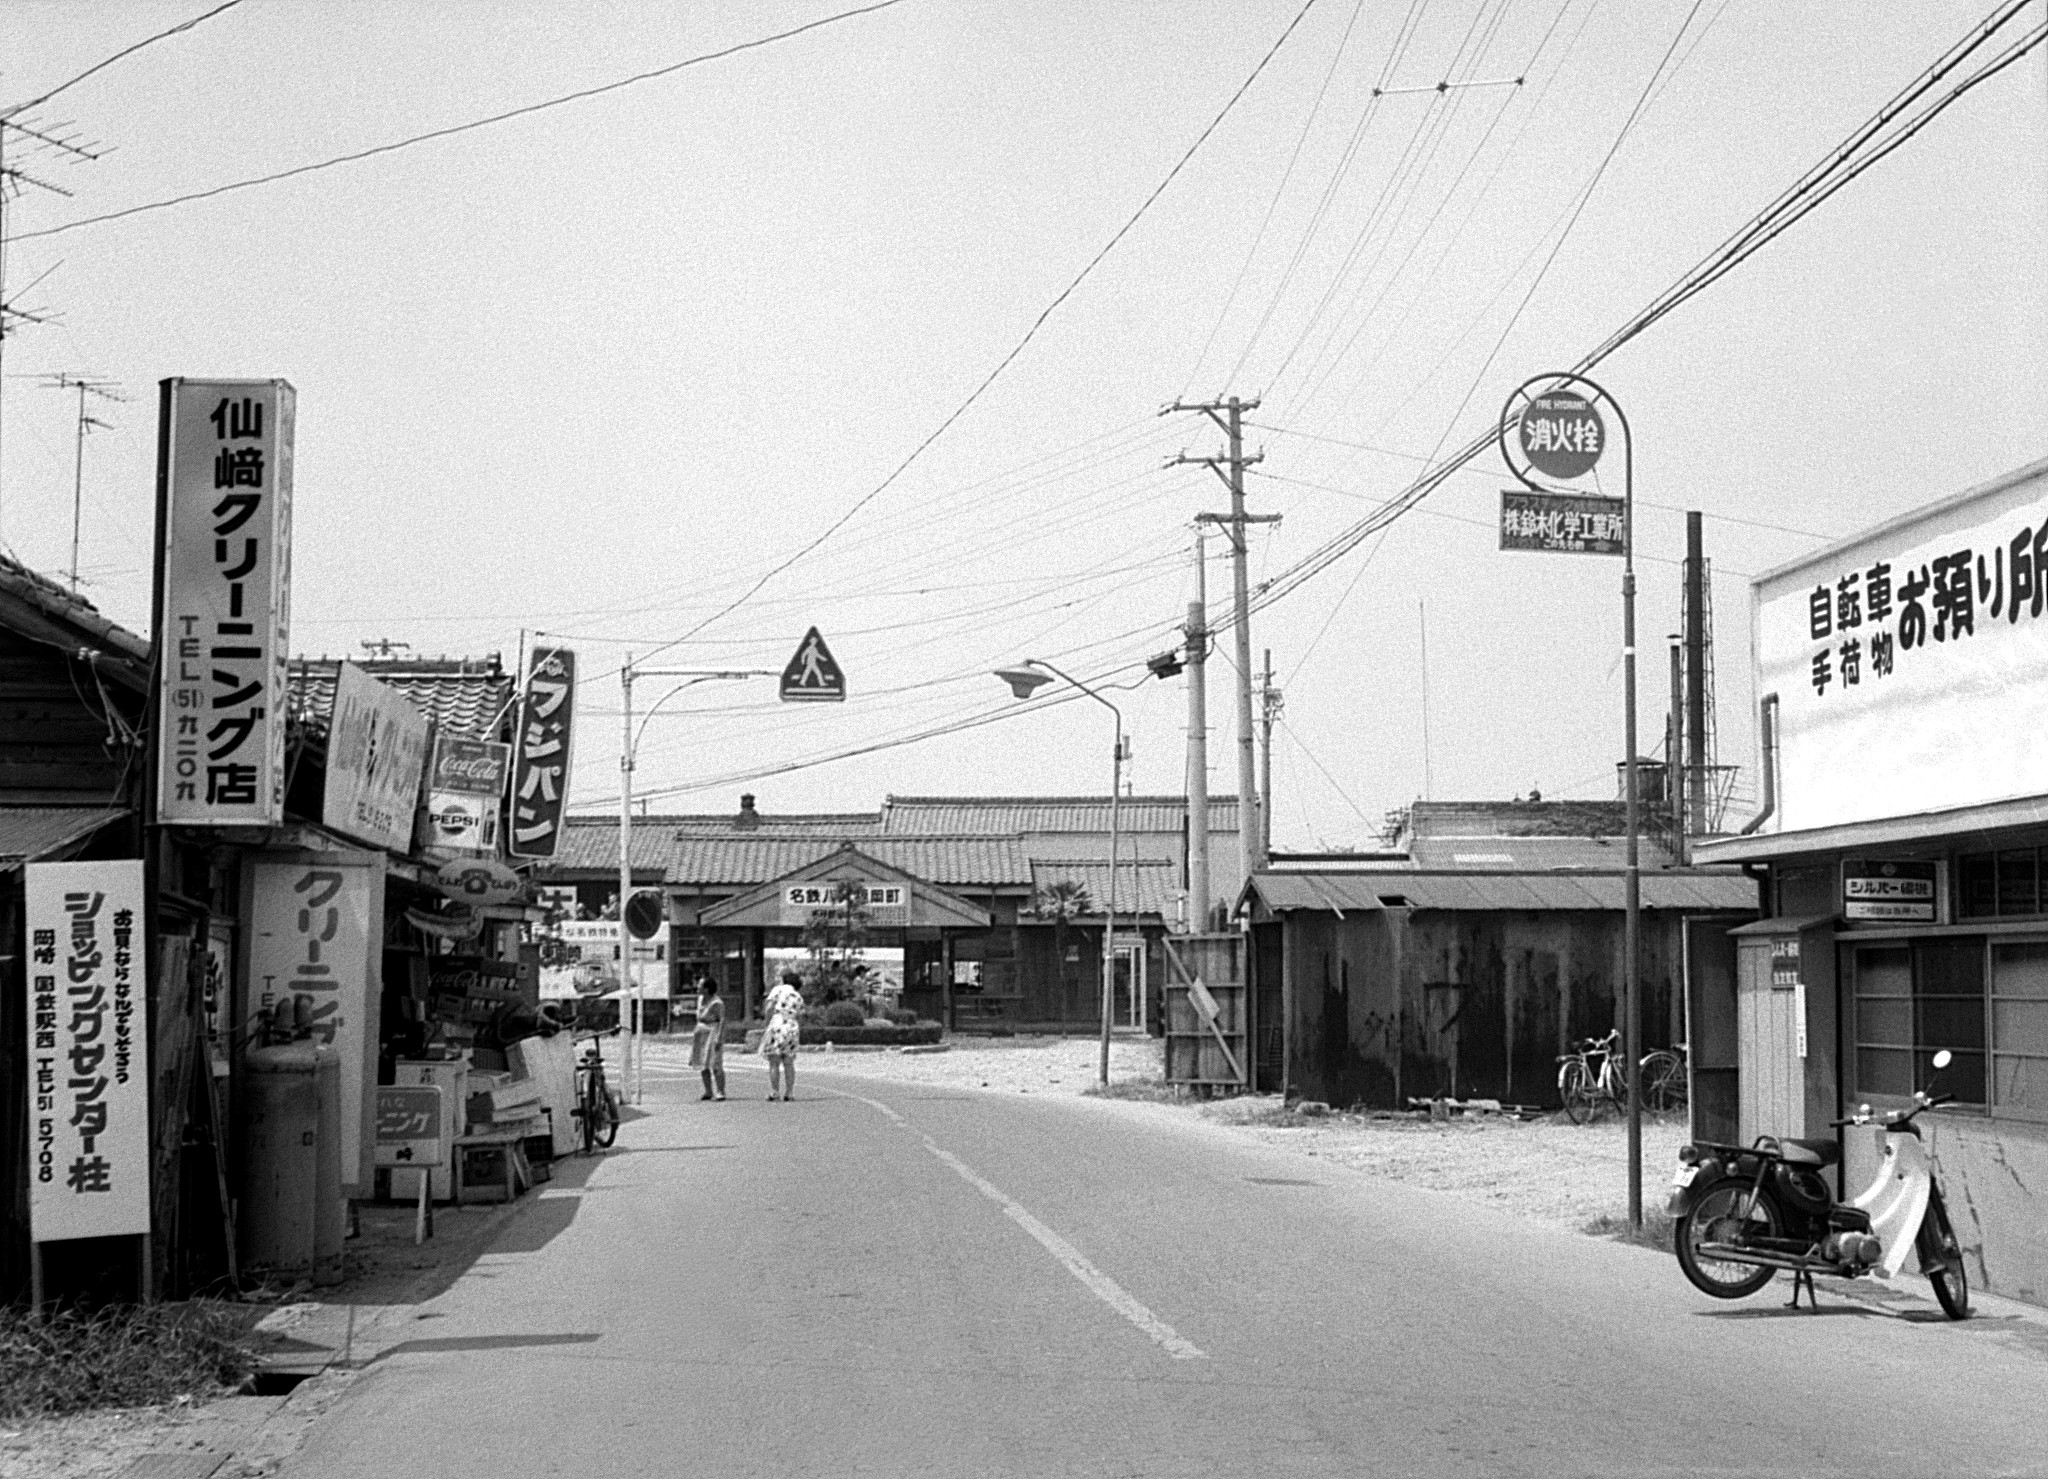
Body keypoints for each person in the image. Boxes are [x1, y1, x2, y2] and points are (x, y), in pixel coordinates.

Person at [761, 970, 804, 1101]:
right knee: (789, 1062)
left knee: (774, 1061)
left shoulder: (777, 990)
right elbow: (800, 1016)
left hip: (778, 1023)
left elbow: (769, 1007)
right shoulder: (798, 997)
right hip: (792, 1026)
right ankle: (789, 1093)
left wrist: (767, 1024)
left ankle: (775, 1092)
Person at [691, 974, 726, 1101]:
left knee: (715, 1063)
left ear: (706, 989)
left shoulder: (717, 1003)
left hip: (712, 1031)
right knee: (702, 1062)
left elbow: (722, 1020)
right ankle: (708, 1091)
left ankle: (720, 1091)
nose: (697, 987)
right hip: (701, 1031)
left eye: (700, 985)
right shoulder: (700, 999)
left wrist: (719, 1037)